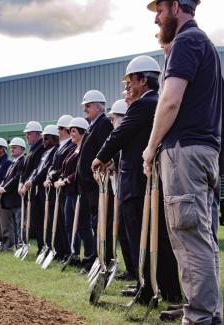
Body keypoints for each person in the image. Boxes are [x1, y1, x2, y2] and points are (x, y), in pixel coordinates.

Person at [143, 1, 224, 323]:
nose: (157, 16)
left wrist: (151, 148)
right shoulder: (202, 43)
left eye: (159, 9)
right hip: (202, 152)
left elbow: (171, 99)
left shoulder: (187, 41)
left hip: (185, 153)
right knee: (202, 239)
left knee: (189, 240)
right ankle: (208, 312)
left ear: (175, 6)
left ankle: (200, 318)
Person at [92, 55, 182, 304]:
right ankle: (158, 287)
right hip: (145, 180)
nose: (128, 85)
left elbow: (120, 133)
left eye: (130, 80)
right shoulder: (155, 102)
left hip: (139, 183)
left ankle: (151, 289)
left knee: (143, 237)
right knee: (153, 237)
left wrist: (100, 157)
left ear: (143, 80)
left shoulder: (144, 104)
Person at [75, 90, 114, 273]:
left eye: (88, 106)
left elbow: (106, 150)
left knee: (101, 225)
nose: (85, 110)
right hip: (88, 187)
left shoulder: (104, 123)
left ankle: (104, 261)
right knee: (94, 225)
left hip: (97, 185)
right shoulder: (93, 125)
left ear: (98, 106)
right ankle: (96, 260)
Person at [106, 99, 136, 281]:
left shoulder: (127, 134)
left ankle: (135, 270)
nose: (111, 122)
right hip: (119, 189)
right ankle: (131, 269)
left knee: (129, 234)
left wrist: (113, 162)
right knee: (123, 234)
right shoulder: (118, 134)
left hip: (130, 189)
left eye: (114, 118)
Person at [54, 117, 89, 266]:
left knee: (82, 225)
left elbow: (80, 170)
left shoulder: (85, 149)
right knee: (69, 224)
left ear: (82, 132)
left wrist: (66, 180)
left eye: (73, 131)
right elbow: (65, 167)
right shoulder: (73, 150)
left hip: (78, 192)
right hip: (68, 193)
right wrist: (60, 178)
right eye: (70, 131)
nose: (71, 134)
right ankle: (73, 254)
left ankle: (88, 256)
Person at [24, 125, 59, 254]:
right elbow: (36, 169)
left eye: (46, 138)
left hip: (47, 193)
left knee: (48, 223)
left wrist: (33, 181)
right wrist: (30, 179)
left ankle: (50, 247)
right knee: (38, 222)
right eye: (43, 138)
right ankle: (41, 247)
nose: (43, 141)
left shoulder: (55, 151)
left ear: (55, 139)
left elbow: (45, 170)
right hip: (37, 193)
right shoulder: (44, 152)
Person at [44, 115, 75, 261]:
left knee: (65, 223)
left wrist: (53, 175)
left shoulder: (71, 146)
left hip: (63, 189)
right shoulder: (59, 147)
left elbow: (63, 167)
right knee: (56, 222)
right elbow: (52, 164)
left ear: (67, 130)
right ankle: (60, 250)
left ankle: (69, 252)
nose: (58, 132)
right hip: (54, 189)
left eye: (60, 129)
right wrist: (49, 175)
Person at [0, 137, 26, 250]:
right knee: (12, 225)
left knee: (19, 224)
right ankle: (15, 246)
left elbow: (17, 178)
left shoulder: (22, 161)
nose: (12, 150)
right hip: (9, 200)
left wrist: (5, 188)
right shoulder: (13, 162)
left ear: (22, 149)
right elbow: (6, 178)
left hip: (17, 199)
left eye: (15, 148)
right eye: (11, 148)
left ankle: (21, 246)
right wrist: (1, 186)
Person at [19, 121, 47, 246]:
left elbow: (37, 169)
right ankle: (40, 246)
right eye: (27, 134)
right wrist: (21, 183)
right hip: (29, 191)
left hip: (36, 191)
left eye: (29, 134)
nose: (27, 136)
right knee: (35, 222)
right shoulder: (31, 150)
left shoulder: (41, 148)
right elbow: (23, 171)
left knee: (39, 221)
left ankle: (42, 246)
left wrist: (27, 183)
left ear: (38, 135)